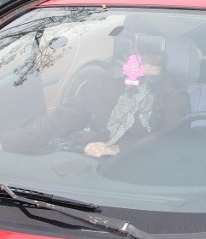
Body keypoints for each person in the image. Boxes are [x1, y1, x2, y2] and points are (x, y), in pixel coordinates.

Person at [0, 32, 191, 157]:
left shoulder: (173, 95)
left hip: (135, 174)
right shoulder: (100, 84)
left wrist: (119, 148)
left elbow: (168, 143)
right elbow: (57, 122)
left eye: (154, 66)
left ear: (163, 66)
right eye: (140, 62)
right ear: (125, 60)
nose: (144, 71)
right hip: (87, 167)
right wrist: (7, 143)